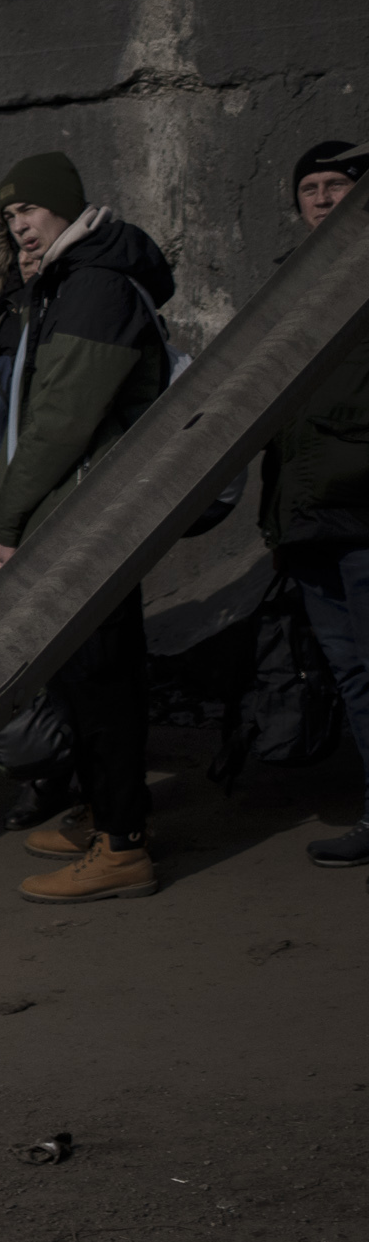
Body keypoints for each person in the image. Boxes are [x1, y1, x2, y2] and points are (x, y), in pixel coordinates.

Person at [0, 153, 186, 901]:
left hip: (84, 514)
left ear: (67, 208)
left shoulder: (95, 286)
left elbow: (59, 420)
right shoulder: (73, 279)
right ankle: (111, 812)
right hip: (87, 506)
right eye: (9, 217)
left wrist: (8, 522)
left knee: (98, 677)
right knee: (99, 673)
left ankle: (122, 846)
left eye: (29, 210)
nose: (19, 226)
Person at [262, 139, 369, 867]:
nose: (324, 198)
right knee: (352, 670)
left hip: (361, 507)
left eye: (337, 185)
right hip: (305, 512)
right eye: (312, 189)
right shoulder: (286, 285)